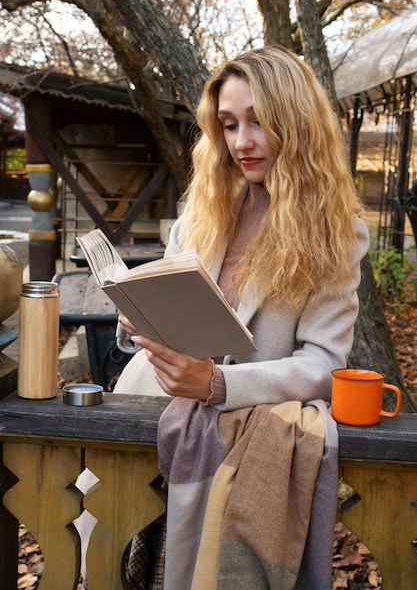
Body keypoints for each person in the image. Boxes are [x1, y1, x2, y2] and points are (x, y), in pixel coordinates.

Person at [115, 44, 370, 589]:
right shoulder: (206, 203)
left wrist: (218, 382)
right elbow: (169, 294)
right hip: (144, 413)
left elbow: (324, 362)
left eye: (259, 122)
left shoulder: (337, 230)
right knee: (128, 565)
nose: (241, 143)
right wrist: (135, 315)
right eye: (229, 125)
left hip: (232, 427)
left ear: (297, 124)